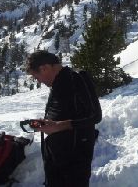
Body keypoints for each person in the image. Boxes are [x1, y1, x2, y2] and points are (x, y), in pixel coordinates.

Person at [26, 50, 102, 187]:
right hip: (57, 155)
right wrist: (44, 124)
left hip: (75, 158)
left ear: (45, 68)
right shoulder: (57, 84)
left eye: (37, 77)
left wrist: (59, 126)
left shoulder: (77, 78)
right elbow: (63, 114)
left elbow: (95, 115)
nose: (39, 81)